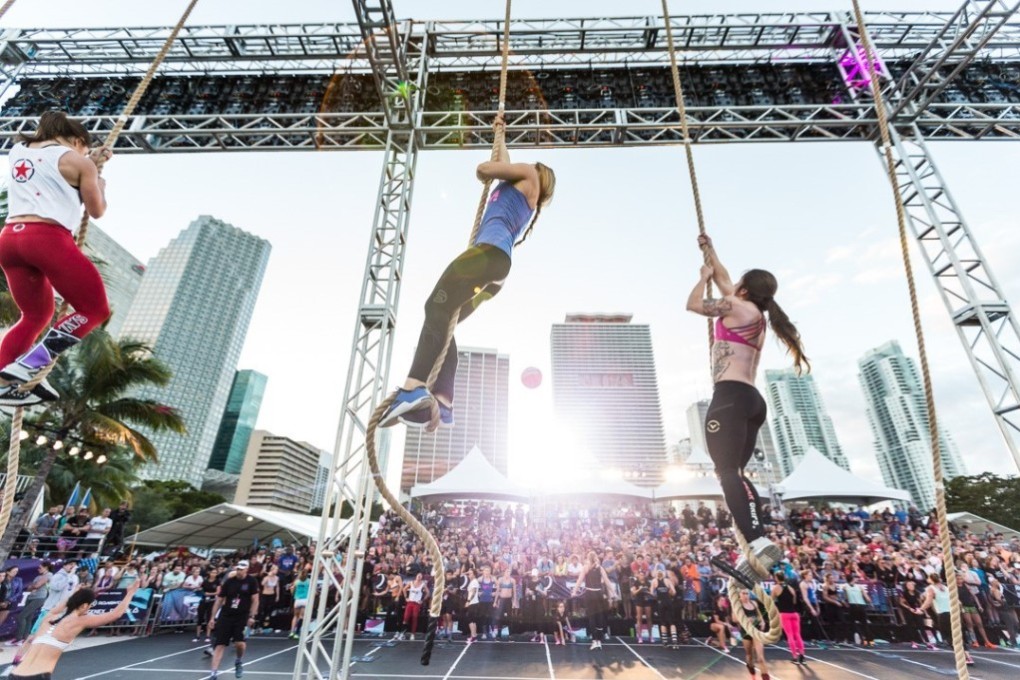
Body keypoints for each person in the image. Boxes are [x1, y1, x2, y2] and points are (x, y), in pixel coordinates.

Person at [379, 112, 555, 430]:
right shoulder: (519, 191)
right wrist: (499, 132)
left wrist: (488, 167)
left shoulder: (529, 174)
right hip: (496, 272)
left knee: (435, 306)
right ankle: (444, 402)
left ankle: (413, 388)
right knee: (446, 321)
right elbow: (500, 161)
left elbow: (485, 169)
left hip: (487, 257)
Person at [686, 233, 808, 583]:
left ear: (743, 289)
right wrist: (709, 250)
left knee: (726, 474)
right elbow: (726, 277)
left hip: (729, 400)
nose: (731, 282)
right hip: (751, 401)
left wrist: (702, 279)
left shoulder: (735, 306)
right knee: (734, 476)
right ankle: (757, 545)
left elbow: (694, 305)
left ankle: (756, 539)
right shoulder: (754, 312)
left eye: (736, 282)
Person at [0, 110, 112, 407]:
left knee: (35, 315)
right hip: (47, 238)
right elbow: (97, 209)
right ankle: (30, 363)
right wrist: (98, 179)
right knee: (95, 309)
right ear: (78, 142)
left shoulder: (17, 150)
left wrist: (89, 160)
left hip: (11, 239)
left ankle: (2, 380)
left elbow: (48, 166)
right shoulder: (79, 161)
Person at [10, 583, 139, 679]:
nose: (89, 609)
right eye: (89, 606)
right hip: (37, 676)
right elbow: (115, 614)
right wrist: (130, 593)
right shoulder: (79, 621)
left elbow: (59, 607)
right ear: (83, 605)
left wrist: (74, 593)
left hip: (15, 674)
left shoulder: (49, 617)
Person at [209, 560, 260, 679]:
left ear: (247, 569)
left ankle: (238, 660)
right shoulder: (229, 582)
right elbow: (219, 599)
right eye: (238, 568)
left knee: (239, 643)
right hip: (226, 615)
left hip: (242, 616)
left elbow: (255, 600)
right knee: (220, 644)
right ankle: (213, 673)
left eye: (242, 569)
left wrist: (252, 616)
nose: (239, 571)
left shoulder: (251, 581)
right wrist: (213, 617)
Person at [573, 551, 610, 650]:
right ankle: (598, 640)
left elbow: (579, 580)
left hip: (590, 594)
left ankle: (595, 640)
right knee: (599, 617)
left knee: (592, 617)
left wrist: (574, 592)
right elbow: (607, 581)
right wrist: (613, 592)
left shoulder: (586, 568)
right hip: (598, 594)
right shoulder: (600, 568)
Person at [733, 589, 771, 680]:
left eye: (747, 593)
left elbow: (759, 615)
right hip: (746, 632)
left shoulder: (754, 603)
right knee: (749, 657)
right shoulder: (738, 605)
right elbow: (734, 619)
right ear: (740, 595)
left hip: (756, 631)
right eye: (743, 593)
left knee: (760, 658)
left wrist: (762, 622)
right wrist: (746, 619)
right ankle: (752, 673)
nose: (746, 595)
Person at [9, 562, 50, 647]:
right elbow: (29, 588)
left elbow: (36, 586)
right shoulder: (38, 576)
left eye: (40, 568)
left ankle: (18, 638)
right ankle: (25, 638)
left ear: (46, 567)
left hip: (39, 598)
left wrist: (33, 586)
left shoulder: (49, 575)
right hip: (31, 597)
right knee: (28, 618)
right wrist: (32, 587)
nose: (38, 569)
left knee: (21, 616)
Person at [771, 571, 805, 664]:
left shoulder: (776, 588)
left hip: (784, 614)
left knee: (790, 635)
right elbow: (794, 602)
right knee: (797, 635)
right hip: (794, 614)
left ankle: (794, 657)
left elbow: (771, 601)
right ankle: (802, 655)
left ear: (776, 578)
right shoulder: (791, 588)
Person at [289, 568, 310, 640]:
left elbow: (292, 592)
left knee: (295, 616)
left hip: (297, 600)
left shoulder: (296, 582)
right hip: (305, 600)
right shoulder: (309, 581)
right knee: (301, 616)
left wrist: (294, 592)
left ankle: (292, 632)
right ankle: (297, 632)